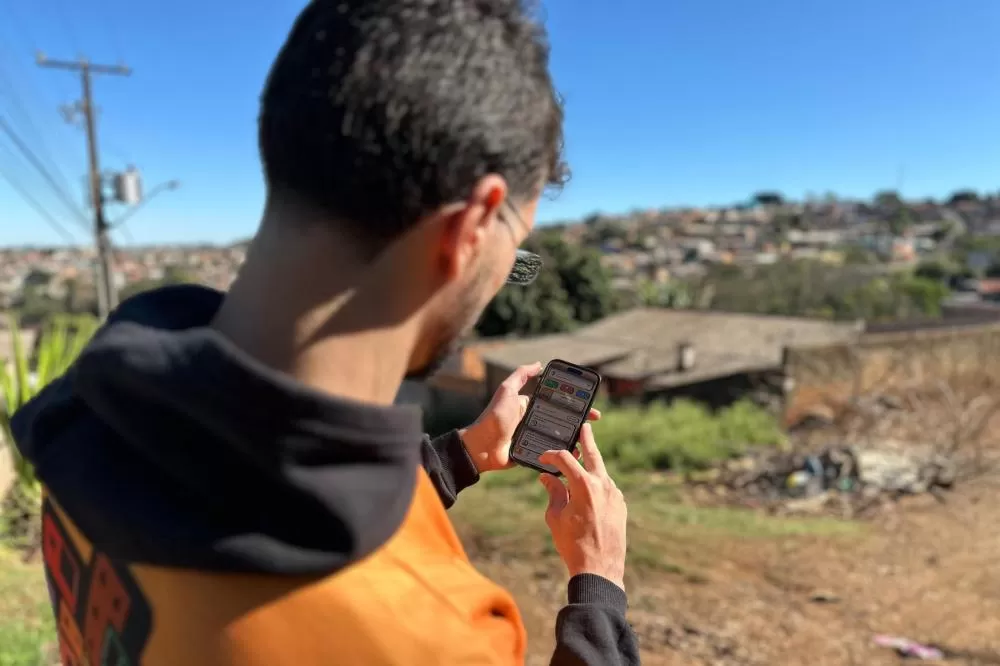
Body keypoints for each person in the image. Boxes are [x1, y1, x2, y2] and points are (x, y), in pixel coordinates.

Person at [11, 1, 639, 664]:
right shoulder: (434, 637)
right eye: (514, 253)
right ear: (471, 228)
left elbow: (272, 496)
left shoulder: (93, 421)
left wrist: (462, 454)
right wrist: (596, 588)